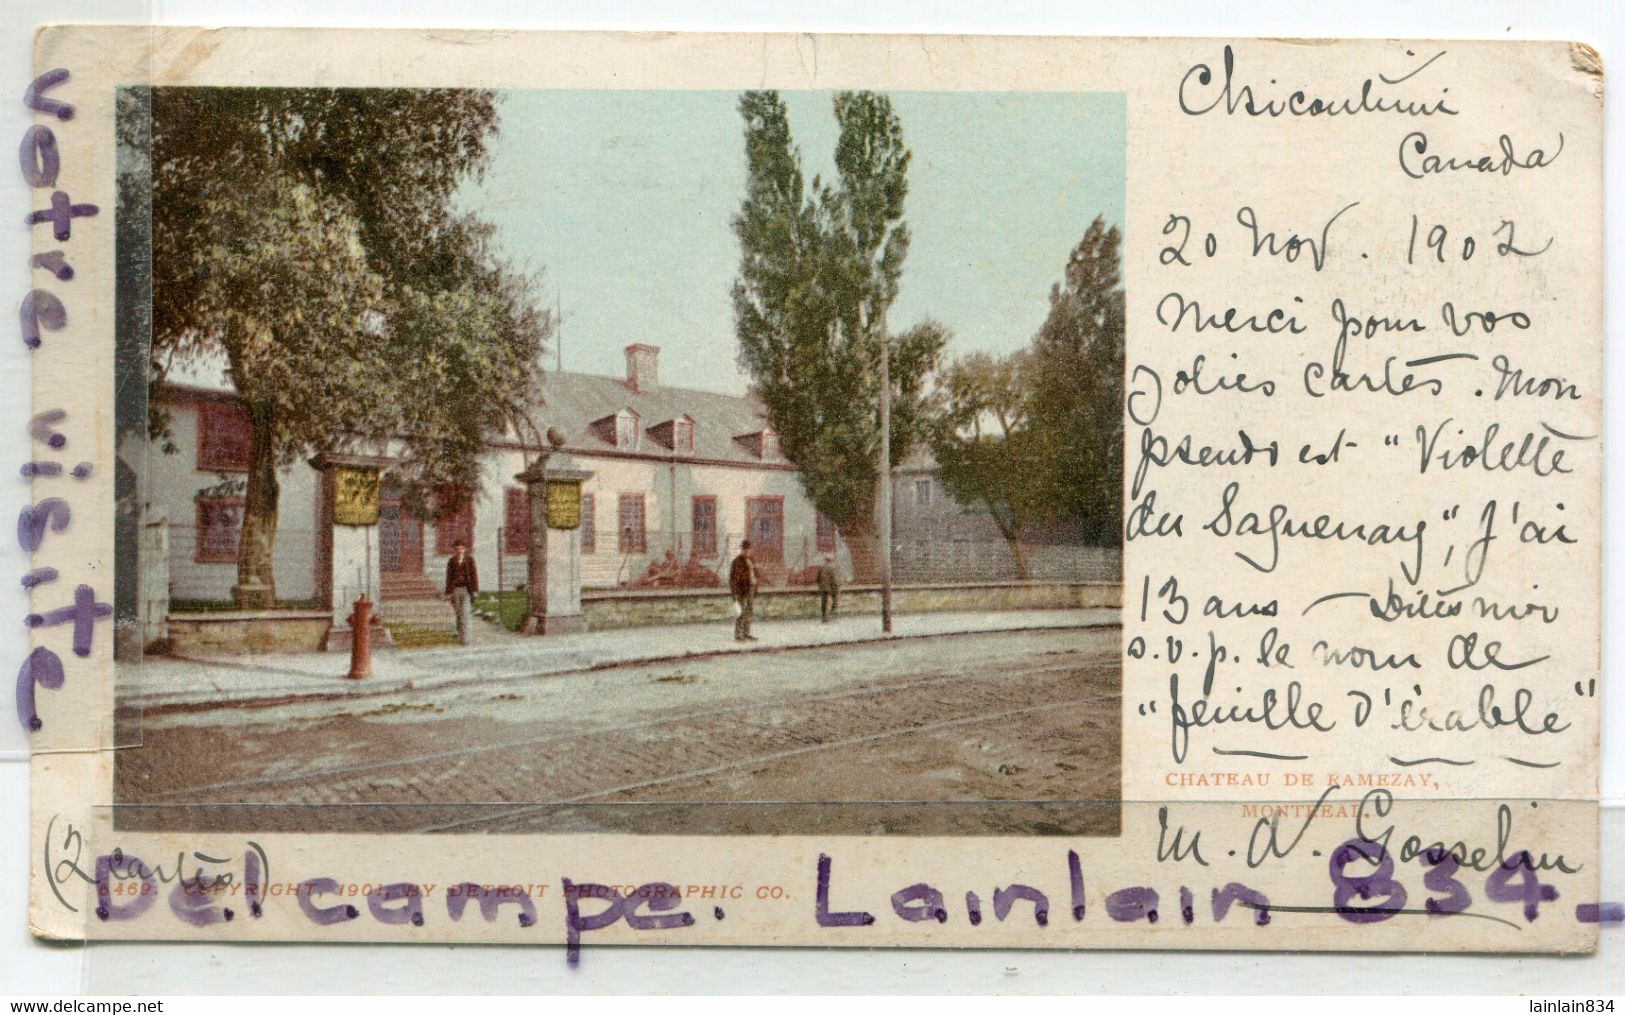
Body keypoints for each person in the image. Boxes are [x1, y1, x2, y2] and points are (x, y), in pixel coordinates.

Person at [444, 540, 479, 645]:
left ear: (465, 549)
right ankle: (460, 634)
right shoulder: (451, 561)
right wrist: (448, 592)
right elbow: (449, 577)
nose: (459, 550)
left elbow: (474, 575)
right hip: (456, 590)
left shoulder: (469, 560)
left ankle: (465, 639)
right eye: (457, 548)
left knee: (466, 614)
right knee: (459, 614)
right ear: (454, 550)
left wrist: (475, 590)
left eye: (461, 548)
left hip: (466, 589)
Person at [729, 539, 758, 642]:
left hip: (751, 588)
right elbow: (733, 580)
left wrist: (756, 587)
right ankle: (738, 635)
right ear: (741, 550)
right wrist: (735, 594)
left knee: (749, 611)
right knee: (740, 612)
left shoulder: (752, 560)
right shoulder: (736, 562)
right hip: (741, 590)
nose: (746, 552)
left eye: (748, 549)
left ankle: (747, 633)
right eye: (744, 549)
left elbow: (755, 573)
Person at [816, 554, 840, 623]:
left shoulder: (822, 567)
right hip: (831, 588)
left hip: (823, 588)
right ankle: (829, 617)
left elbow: (818, 578)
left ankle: (824, 618)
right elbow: (835, 578)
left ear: (826, 560)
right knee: (832, 602)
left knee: (824, 603)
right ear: (831, 560)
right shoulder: (833, 567)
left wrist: (820, 586)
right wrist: (837, 587)